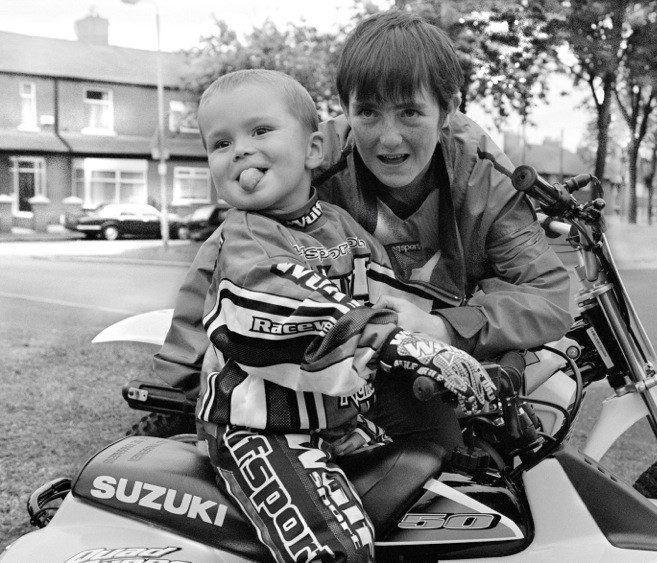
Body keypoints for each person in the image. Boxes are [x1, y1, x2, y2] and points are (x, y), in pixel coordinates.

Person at [152, 10, 572, 453]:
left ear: (448, 109)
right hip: (327, 354)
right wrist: (177, 384)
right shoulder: (313, 155)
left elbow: (550, 294)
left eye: (410, 112)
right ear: (346, 109)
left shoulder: (483, 177)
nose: (389, 139)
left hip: (426, 356)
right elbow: (231, 247)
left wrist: (444, 328)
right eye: (368, 113)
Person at [193, 68, 496, 562]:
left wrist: (449, 352)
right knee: (338, 547)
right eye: (220, 143)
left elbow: (394, 299)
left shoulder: (344, 229)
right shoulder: (245, 238)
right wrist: (397, 344)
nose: (241, 151)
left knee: (433, 501)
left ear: (313, 150)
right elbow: (273, 309)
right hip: (261, 430)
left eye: (260, 131)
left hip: (343, 422)